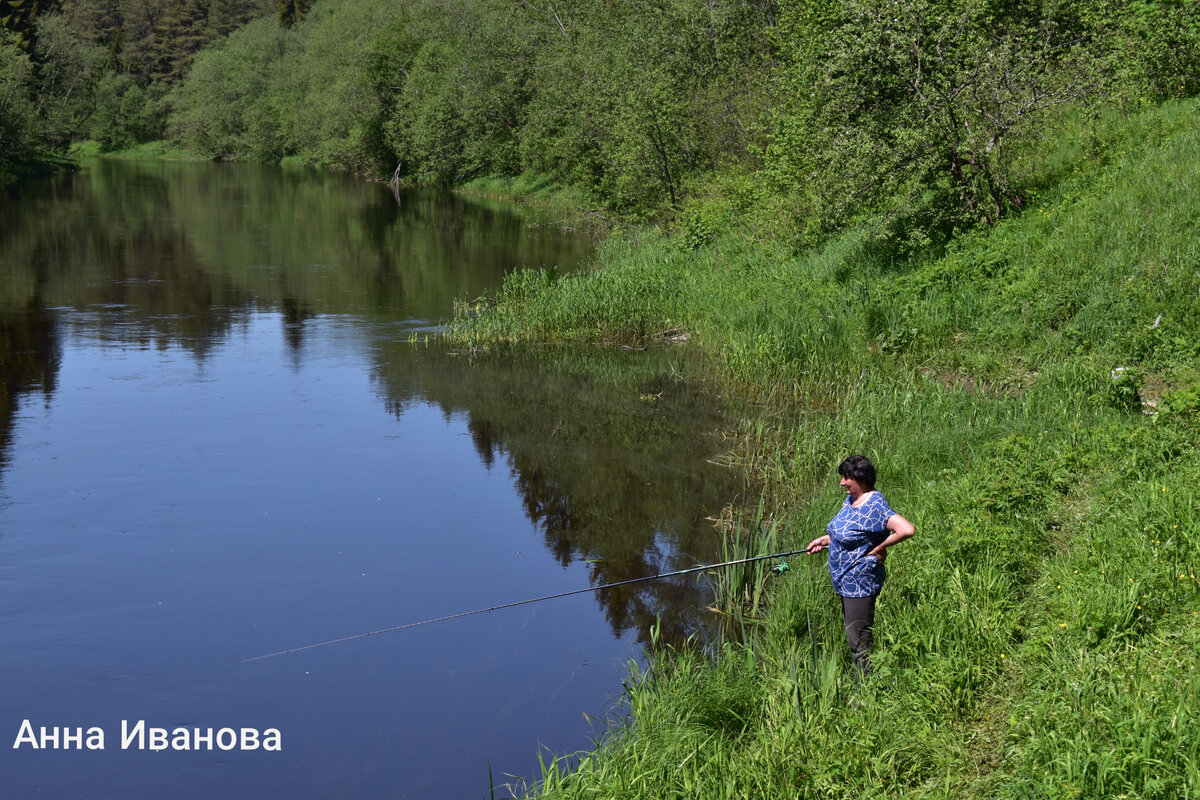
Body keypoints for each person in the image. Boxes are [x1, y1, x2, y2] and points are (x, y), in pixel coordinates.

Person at [806, 455, 915, 676]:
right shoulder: (852, 499)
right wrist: (825, 540)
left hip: (859, 583)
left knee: (859, 643)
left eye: (847, 478)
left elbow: (907, 529)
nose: (842, 482)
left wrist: (880, 547)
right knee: (853, 636)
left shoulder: (875, 506)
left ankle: (865, 695)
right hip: (844, 581)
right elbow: (849, 533)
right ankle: (864, 686)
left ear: (861, 479)